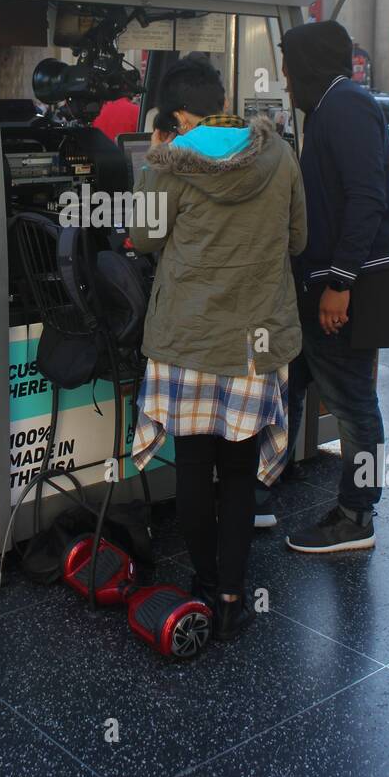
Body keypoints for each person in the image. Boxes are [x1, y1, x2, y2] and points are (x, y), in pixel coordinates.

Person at [129, 53, 306, 642]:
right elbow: (298, 238)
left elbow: (144, 237)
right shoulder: (278, 154)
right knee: (237, 473)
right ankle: (233, 595)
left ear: (178, 112)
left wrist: (154, 158)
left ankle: (204, 585)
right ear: (222, 96)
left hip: (188, 341)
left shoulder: (170, 159)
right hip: (254, 344)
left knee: (193, 468)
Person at [280, 21, 389, 554]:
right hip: (327, 283)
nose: (285, 81)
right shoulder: (331, 106)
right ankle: (264, 488)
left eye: (289, 69)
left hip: (348, 287)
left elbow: (365, 198)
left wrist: (340, 282)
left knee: (355, 405)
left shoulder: (347, 106)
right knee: (290, 384)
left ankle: (357, 515)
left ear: (306, 67)